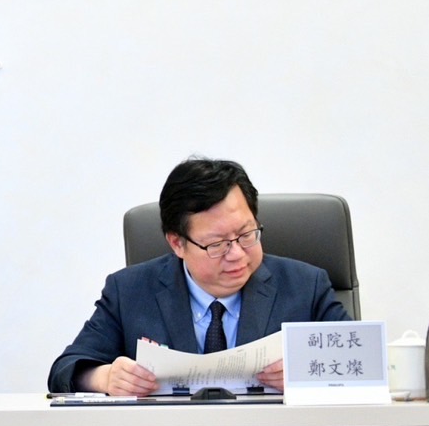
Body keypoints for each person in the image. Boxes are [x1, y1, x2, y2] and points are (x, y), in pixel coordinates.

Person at [48, 157, 350, 395]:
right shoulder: (129, 291)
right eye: (217, 244)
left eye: (246, 234)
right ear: (177, 243)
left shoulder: (305, 286)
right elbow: (64, 370)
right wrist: (105, 377)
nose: (237, 253)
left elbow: (360, 363)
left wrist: (308, 374)